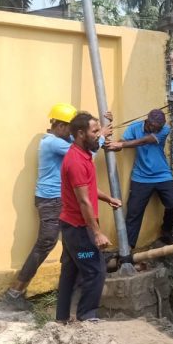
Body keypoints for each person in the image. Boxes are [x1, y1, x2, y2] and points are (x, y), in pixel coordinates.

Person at [3, 104, 111, 310]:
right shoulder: (52, 143)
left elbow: (85, 140)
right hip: (51, 201)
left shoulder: (60, 139)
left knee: (73, 248)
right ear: (60, 126)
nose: (71, 133)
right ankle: (15, 292)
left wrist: (102, 127)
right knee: (46, 243)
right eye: (69, 128)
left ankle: (71, 293)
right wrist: (103, 136)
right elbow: (87, 153)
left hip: (59, 200)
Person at [55, 112, 122, 323]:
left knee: (71, 269)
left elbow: (89, 188)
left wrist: (107, 198)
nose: (99, 135)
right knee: (95, 269)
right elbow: (84, 201)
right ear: (81, 133)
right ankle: (87, 316)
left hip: (71, 228)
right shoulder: (76, 161)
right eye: (95, 132)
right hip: (80, 231)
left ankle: (62, 318)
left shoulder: (83, 155)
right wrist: (97, 233)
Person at [105, 108, 173, 248]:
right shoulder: (134, 128)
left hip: (163, 175)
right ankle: (127, 249)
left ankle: (166, 230)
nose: (159, 129)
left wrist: (121, 144)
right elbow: (120, 145)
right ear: (148, 123)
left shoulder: (165, 129)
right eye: (156, 127)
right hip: (140, 177)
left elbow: (145, 140)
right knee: (134, 214)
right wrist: (111, 141)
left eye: (160, 127)